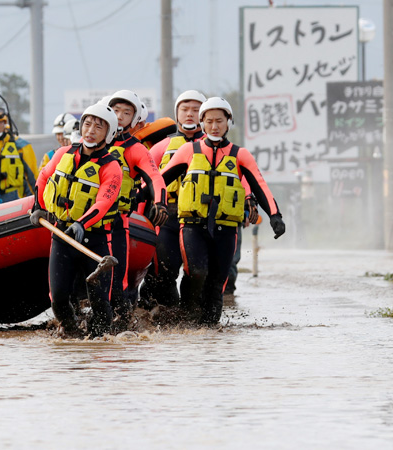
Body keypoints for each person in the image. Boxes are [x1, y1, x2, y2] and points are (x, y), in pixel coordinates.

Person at [160, 97, 285, 325]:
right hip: (192, 227)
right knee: (197, 272)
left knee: (217, 283)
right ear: (203, 123)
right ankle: (186, 320)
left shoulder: (240, 154)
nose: (214, 126)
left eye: (219, 121)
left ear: (229, 122)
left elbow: (260, 185)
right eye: (209, 121)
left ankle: (210, 335)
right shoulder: (188, 151)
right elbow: (159, 180)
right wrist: (139, 199)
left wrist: (275, 215)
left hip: (226, 229)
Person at [30, 103, 123, 338]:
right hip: (62, 235)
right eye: (87, 124)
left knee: (100, 302)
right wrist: (39, 207)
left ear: (109, 134)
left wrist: (81, 223)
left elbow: (103, 202)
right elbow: (43, 176)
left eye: (98, 126)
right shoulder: (63, 154)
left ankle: (99, 343)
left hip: (95, 240)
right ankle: (73, 337)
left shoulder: (111, 167)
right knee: (59, 300)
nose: (90, 130)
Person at [106, 90, 169, 329]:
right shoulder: (87, 144)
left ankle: (121, 328)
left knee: (119, 280)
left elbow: (155, 177)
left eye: (126, 112)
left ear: (134, 119)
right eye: (116, 111)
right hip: (85, 223)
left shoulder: (136, 149)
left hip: (118, 221)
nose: (120, 116)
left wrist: (160, 202)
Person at [140, 90, 208, 309]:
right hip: (166, 215)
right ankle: (165, 319)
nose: (190, 114)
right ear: (177, 114)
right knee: (163, 271)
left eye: (196, 110)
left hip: (201, 218)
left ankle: (191, 316)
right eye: (185, 109)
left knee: (197, 272)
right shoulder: (162, 146)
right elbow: (147, 181)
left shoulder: (216, 147)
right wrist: (142, 212)